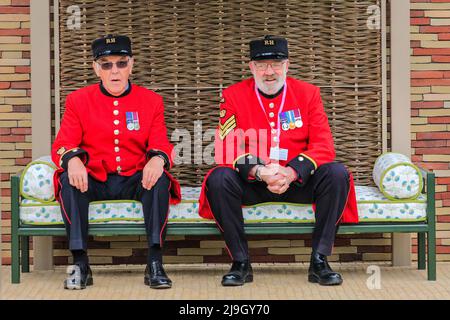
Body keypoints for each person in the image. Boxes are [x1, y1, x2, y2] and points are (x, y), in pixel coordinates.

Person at [199, 35, 359, 287]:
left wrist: (292, 172)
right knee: (219, 178)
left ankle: (319, 261)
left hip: (297, 182)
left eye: (276, 63)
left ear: (287, 65)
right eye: (262, 65)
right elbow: (226, 145)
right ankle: (240, 262)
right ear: (252, 67)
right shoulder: (232, 95)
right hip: (253, 182)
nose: (269, 71)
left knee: (337, 173)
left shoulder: (308, 93)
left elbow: (324, 145)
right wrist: (260, 170)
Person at [51, 34, 181, 290]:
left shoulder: (151, 101)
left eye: (121, 63)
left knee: (160, 178)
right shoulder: (78, 100)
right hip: (95, 179)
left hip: (135, 177)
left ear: (131, 65)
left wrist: (158, 159)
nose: (114, 70)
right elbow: (62, 144)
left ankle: (155, 263)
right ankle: (80, 264)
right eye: (106, 64)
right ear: (96, 68)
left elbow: (160, 141)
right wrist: (73, 160)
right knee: (68, 179)